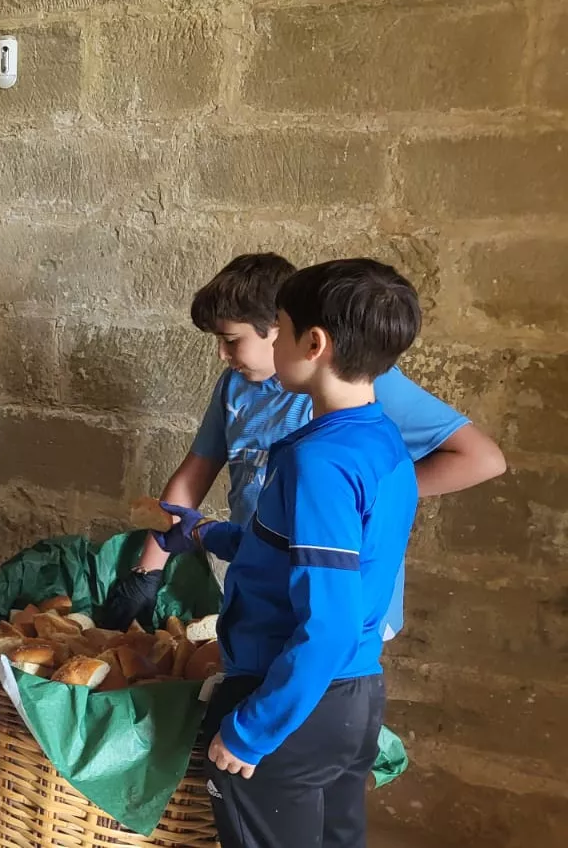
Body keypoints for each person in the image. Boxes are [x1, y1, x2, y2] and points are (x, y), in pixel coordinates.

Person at [155, 258, 424, 848]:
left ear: (314, 342)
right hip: (354, 695)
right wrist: (205, 534)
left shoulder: (317, 462)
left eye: (279, 325)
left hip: (290, 694)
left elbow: (325, 624)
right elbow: (289, 557)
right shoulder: (383, 443)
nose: (272, 340)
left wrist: (253, 731)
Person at [98, 253, 507, 631]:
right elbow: (195, 473)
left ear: (281, 328)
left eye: (231, 339)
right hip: (262, 574)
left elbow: (480, 458)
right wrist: (147, 572)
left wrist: (367, 496)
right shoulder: (235, 387)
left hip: (335, 597)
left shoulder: (360, 384)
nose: (221, 354)